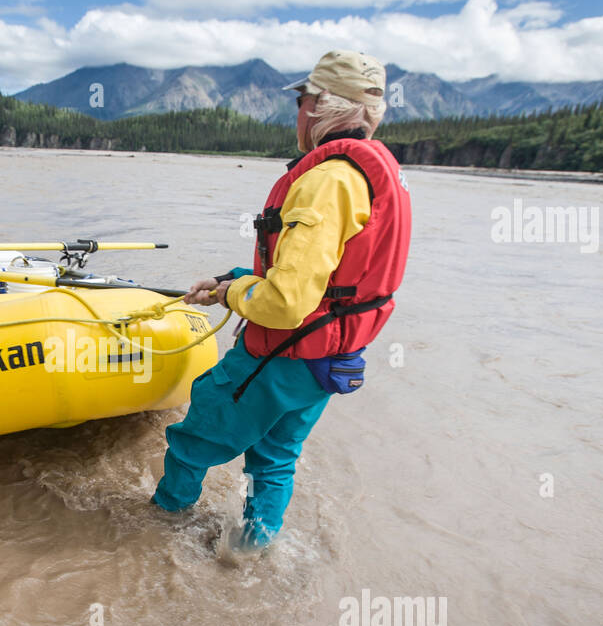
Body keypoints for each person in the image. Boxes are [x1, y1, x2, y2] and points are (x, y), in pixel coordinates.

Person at [151, 50, 412, 549]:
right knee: (274, 458)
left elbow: (289, 303)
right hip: (329, 362)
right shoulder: (367, 177)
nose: (299, 113)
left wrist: (232, 291)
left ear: (320, 107)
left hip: (282, 353)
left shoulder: (327, 181)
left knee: (193, 440)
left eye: (302, 100)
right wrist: (236, 277)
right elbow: (333, 283)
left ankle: (158, 529)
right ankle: (252, 551)